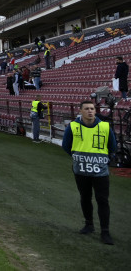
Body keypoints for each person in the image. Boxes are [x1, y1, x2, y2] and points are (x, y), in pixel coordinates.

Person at [61, 99, 117, 245]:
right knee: (85, 198)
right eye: (86, 109)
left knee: (102, 200)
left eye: (92, 108)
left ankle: (105, 232)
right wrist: (78, 158)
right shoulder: (73, 127)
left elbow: (113, 146)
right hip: (81, 171)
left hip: (100, 172)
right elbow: (66, 146)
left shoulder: (105, 127)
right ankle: (89, 225)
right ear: (81, 111)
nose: (90, 111)